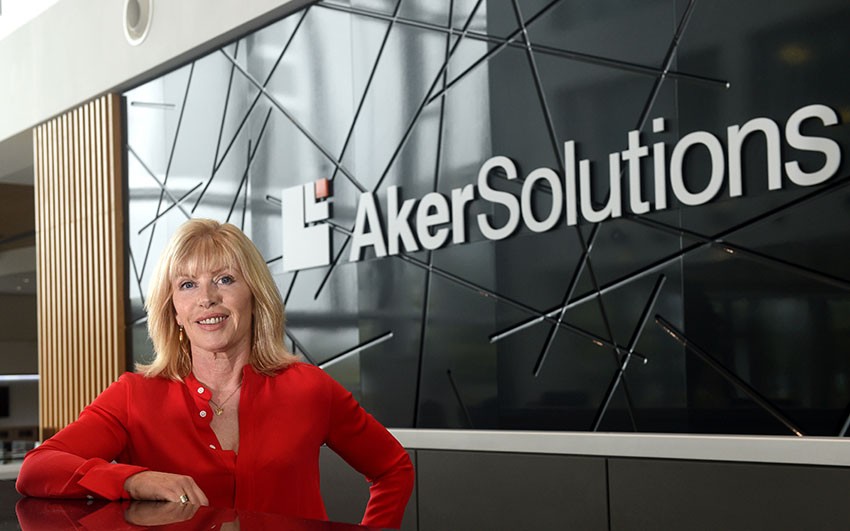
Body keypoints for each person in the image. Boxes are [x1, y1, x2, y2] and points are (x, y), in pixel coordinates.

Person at [16, 219, 414, 529]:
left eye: (225, 279)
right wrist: (134, 480)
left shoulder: (309, 388)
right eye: (188, 284)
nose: (207, 298)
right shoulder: (134, 396)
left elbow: (393, 468)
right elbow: (38, 468)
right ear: (174, 310)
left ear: (254, 294)